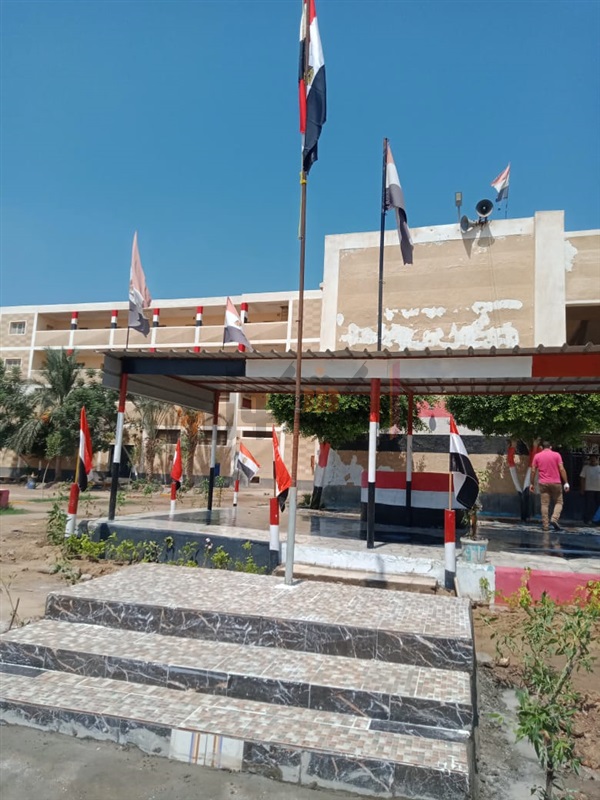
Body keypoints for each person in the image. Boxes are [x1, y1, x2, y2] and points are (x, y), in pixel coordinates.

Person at [530, 441, 570, 532]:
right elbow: (561, 469)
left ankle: (545, 526)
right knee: (559, 502)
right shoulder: (557, 455)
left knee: (544, 504)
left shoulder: (537, 456)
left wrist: (531, 483)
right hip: (556, 483)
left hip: (543, 483)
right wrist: (566, 482)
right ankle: (554, 519)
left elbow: (533, 470)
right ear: (551, 447)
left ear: (541, 447)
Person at [580, 454, 600, 525]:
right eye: (591, 460)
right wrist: (582, 489)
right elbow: (582, 478)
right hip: (589, 489)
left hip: (598, 489)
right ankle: (587, 519)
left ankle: (596, 520)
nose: (593, 461)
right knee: (589, 505)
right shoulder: (586, 468)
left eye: (594, 459)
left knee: (597, 505)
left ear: (597, 460)